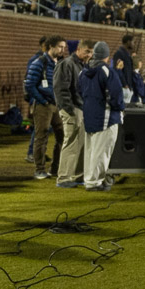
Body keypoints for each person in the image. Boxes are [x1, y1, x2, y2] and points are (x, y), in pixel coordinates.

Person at [79, 42, 123, 191]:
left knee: (91, 150)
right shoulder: (106, 71)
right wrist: (119, 109)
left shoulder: (83, 71)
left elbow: (80, 92)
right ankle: (94, 182)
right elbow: (116, 95)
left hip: (90, 114)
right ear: (107, 56)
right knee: (102, 150)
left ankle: (90, 179)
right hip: (106, 116)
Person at [25, 35, 66, 180]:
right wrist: (42, 100)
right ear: (51, 47)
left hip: (57, 105)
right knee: (41, 137)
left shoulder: (61, 63)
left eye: (64, 47)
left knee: (62, 136)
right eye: (60, 47)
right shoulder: (39, 63)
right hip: (44, 106)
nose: (63, 50)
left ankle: (55, 168)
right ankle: (39, 169)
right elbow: (29, 85)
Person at [54, 38, 94, 188]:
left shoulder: (83, 65)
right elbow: (60, 89)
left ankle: (78, 175)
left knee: (82, 144)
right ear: (78, 50)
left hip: (82, 109)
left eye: (91, 52)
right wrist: (68, 110)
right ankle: (64, 177)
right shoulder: (67, 64)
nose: (89, 55)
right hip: (72, 109)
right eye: (87, 51)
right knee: (70, 142)